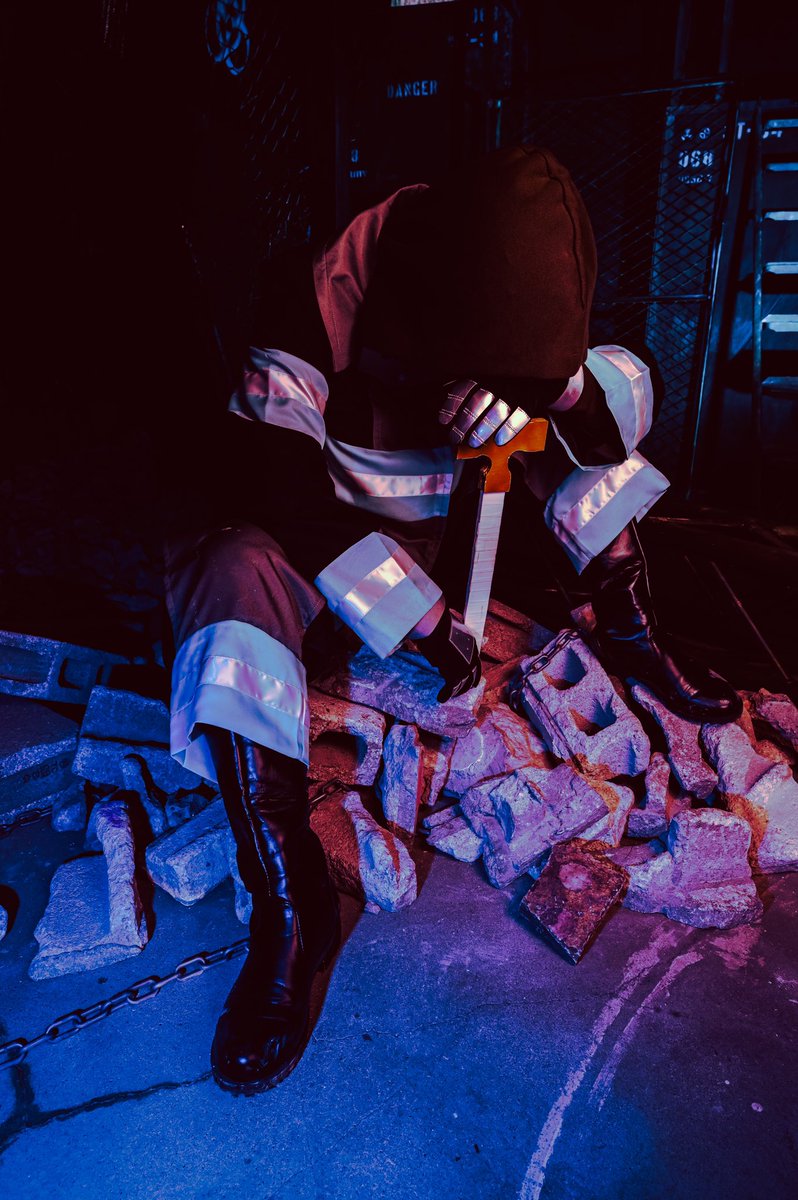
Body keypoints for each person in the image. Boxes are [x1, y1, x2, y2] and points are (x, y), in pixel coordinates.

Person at [164, 144, 741, 1095]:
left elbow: (623, 408)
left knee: (581, 450)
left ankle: (638, 640)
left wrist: (546, 395)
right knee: (228, 565)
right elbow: (271, 487)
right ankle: (290, 900)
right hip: (326, 554)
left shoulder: (522, 259)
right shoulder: (314, 293)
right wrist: (427, 624)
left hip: (441, 539)